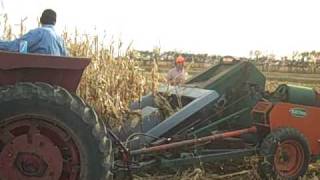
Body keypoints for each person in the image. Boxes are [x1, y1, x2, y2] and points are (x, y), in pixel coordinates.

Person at [0, 9, 68, 56]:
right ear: (55, 22)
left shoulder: (39, 33)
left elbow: (14, 47)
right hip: (55, 76)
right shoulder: (61, 40)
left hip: (35, 75)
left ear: (41, 19)